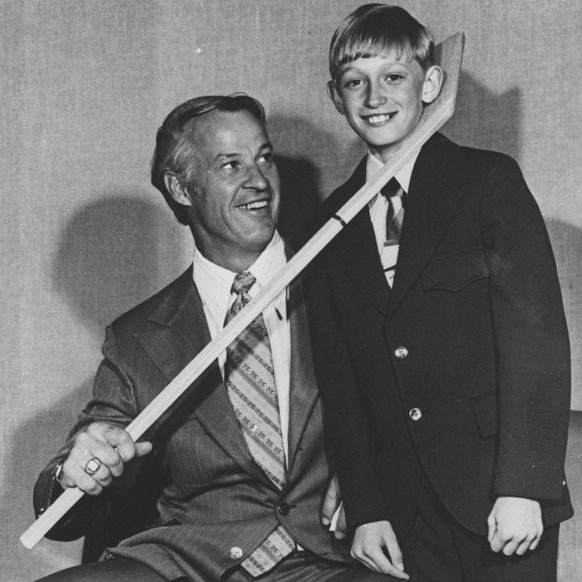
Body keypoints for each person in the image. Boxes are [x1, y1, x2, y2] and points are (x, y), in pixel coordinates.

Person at [32, 94, 388, 582]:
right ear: (181, 188)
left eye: (264, 157)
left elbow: (415, 407)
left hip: (325, 558)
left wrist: (372, 482)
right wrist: (73, 471)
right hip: (190, 561)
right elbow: (68, 503)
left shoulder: (339, 281)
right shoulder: (139, 337)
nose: (259, 180)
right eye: (231, 165)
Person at [305, 4, 573, 581]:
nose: (374, 96)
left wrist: (525, 485)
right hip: (400, 512)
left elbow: (537, 342)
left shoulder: (487, 183)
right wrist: (367, 507)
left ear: (430, 83)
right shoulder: (328, 225)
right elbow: (341, 379)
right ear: (336, 97)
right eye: (356, 82)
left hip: (499, 498)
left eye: (393, 77)